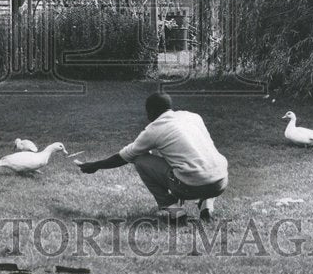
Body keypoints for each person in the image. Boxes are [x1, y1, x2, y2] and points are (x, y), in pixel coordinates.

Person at [77, 92, 228, 221]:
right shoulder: (193, 117)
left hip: (191, 186)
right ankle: (206, 206)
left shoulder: (154, 129)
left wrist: (95, 165)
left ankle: (175, 211)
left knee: (140, 159)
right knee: (207, 161)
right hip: (220, 182)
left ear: (152, 110)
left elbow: (123, 157)